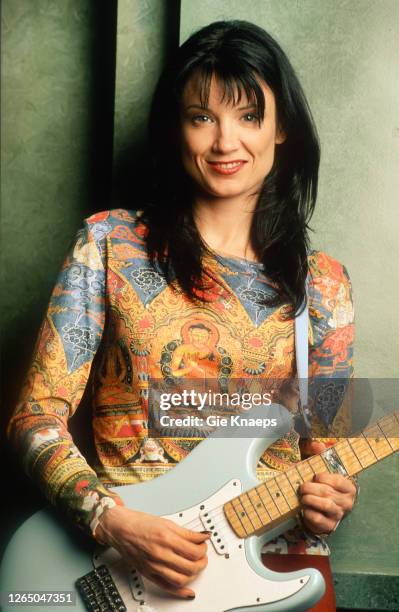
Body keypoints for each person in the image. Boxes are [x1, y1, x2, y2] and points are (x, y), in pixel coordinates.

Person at [8, 20, 356, 606]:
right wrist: (109, 520)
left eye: (249, 116)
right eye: (202, 117)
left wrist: (331, 502)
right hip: (124, 564)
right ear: (177, 128)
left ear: (282, 129)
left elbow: (325, 457)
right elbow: (34, 418)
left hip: (271, 574)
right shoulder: (111, 243)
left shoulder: (324, 285)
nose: (226, 143)